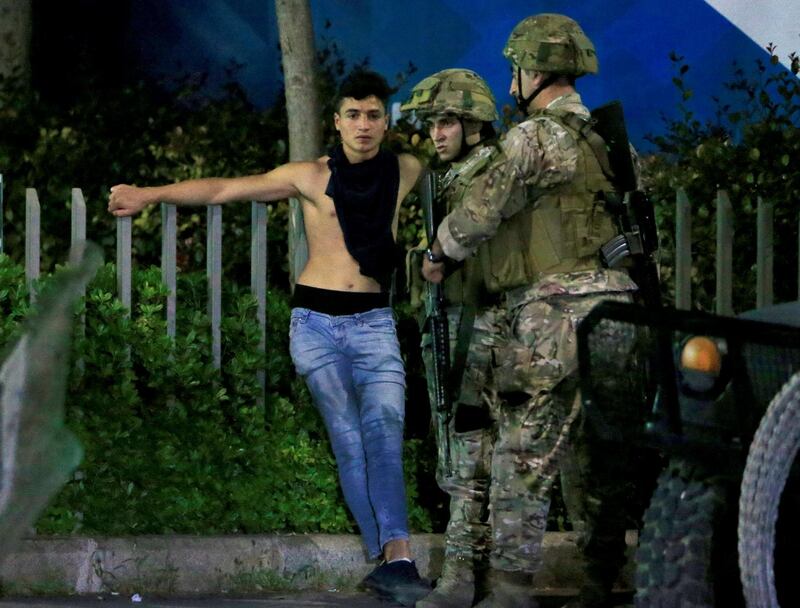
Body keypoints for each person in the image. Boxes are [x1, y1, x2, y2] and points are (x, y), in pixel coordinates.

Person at [107, 69, 431, 608]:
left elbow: (460, 154)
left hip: (374, 321)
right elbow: (227, 189)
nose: (364, 125)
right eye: (353, 114)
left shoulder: (407, 170)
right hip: (317, 323)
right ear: (336, 121)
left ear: (386, 120)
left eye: (374, 114)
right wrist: (149, 193)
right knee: (348, 437)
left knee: (384, 433)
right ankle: (388, 556)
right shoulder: (309, 175)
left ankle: (396, 557)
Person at [422, 14, 640, 608]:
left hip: (555, 312)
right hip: (621, 312)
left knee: (524, 452)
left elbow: (483, 210)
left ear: (535, 69)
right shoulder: (611, 142)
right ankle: (600, 581)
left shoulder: (534, 137)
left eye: (516, 68)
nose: (512, 80)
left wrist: (439, 253)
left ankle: (512, 591)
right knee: (597, 458)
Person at [400, 69, 501, 608]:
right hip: (456, 319)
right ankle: (475, 572)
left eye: (445, 123)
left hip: (477, 325)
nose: (435, 134)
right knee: (466, 447)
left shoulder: (488, 173)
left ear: (473, 122)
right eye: (432, 124)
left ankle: (463, 574)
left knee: (468, 449)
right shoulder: (457, 175)